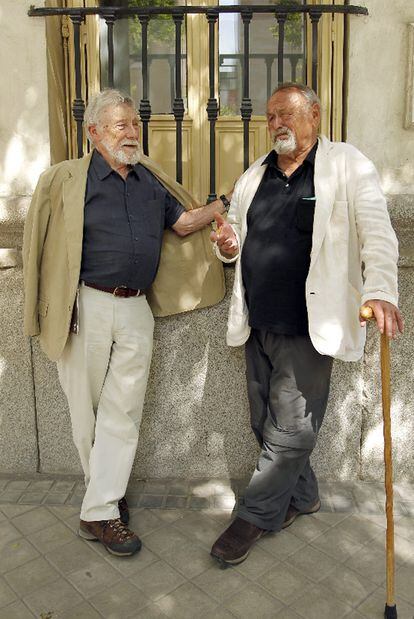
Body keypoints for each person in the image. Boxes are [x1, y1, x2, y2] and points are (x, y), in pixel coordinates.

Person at [23, 89, 230, 557]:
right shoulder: (63, 180)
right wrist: (36, 311)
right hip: (86, 306)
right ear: (93, 132)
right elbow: (36, 247)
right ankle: (104, 504)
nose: (131, 132)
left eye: (134, 124)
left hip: (137, 309)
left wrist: (220, 205)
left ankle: (100, 508)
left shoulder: (149, 179)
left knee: (124, 411)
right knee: (87, 412)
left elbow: (181, 223)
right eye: (120, 125)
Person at [210, 82, 403, 567]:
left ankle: (253, 516)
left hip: (309, 326)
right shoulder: (255, 174)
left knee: (292, 429)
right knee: (264, 422)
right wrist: (227, 247)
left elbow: (377, 232)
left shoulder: (347, 165)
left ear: (314, 115)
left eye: (287, 114)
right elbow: (231, 239)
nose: (277, 123)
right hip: (258, 322)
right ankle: (303, 497)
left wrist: (381, 289)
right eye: (271, 116)